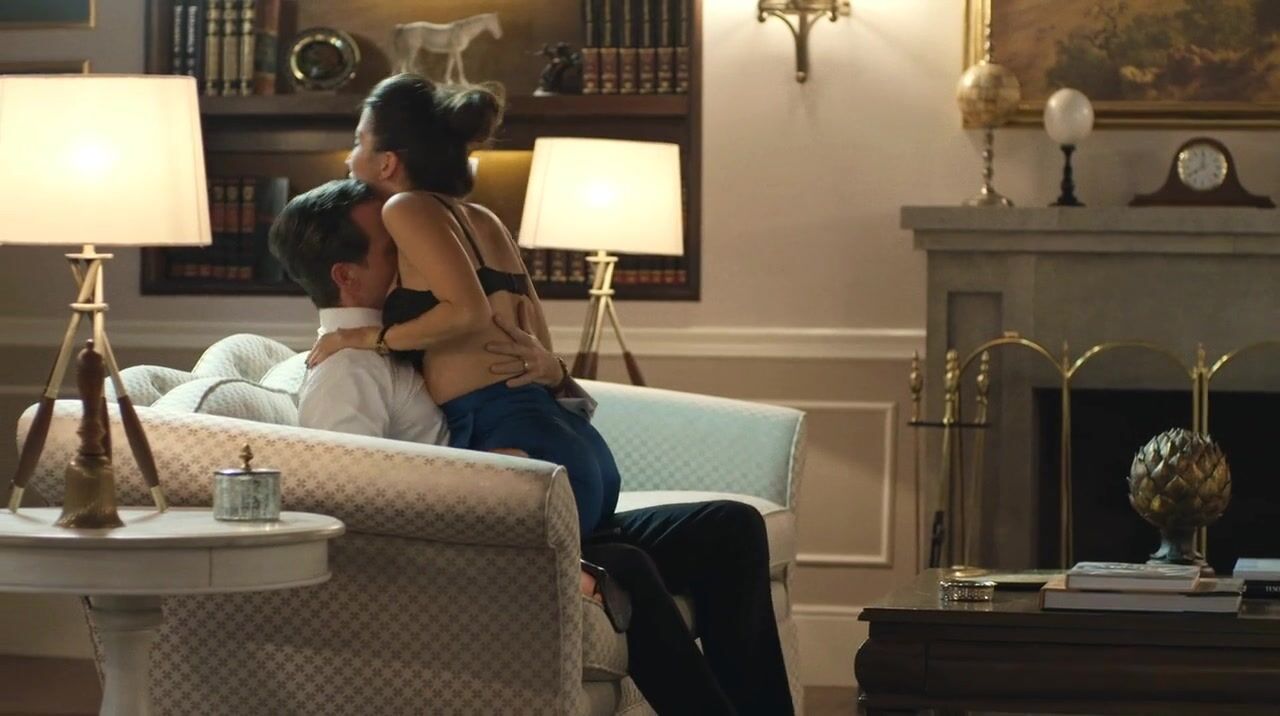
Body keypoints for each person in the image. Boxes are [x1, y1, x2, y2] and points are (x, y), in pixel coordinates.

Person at [271, 177, 794, 715]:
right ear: (346, 275)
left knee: (729, 526)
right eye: (394, 250)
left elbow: (524, 405)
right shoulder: (346, 371)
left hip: (547, 516)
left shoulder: (409, 338)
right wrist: (488, 478)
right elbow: (352, 501)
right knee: (626, 565)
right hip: (487, 542)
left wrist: (554, 373)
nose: (416, 258)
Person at [306, 73, 620, 541]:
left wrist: (364, 337)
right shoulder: (483, 218)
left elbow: (468, 312)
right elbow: (537, 338)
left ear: (388, 162)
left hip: (513, 442)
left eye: (358, 142)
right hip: (573, 442)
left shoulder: (405, 208)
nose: (351, 159)